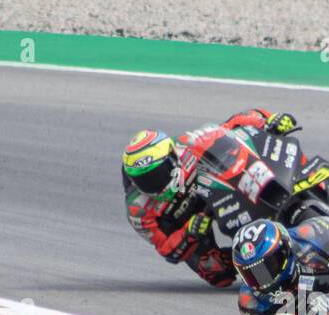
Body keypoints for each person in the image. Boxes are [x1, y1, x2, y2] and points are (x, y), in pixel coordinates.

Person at [120, 109, 300, 287]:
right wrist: (189, 231)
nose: (154, 184)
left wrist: (266, 122)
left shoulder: (186, 144)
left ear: (172, 157)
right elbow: (166, 249)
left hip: (214, 189)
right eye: (144, 181)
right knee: (216, 271)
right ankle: (255, 261)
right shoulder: (138, 210)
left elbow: (229, 126)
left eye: (158, 174)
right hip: (189, 223)